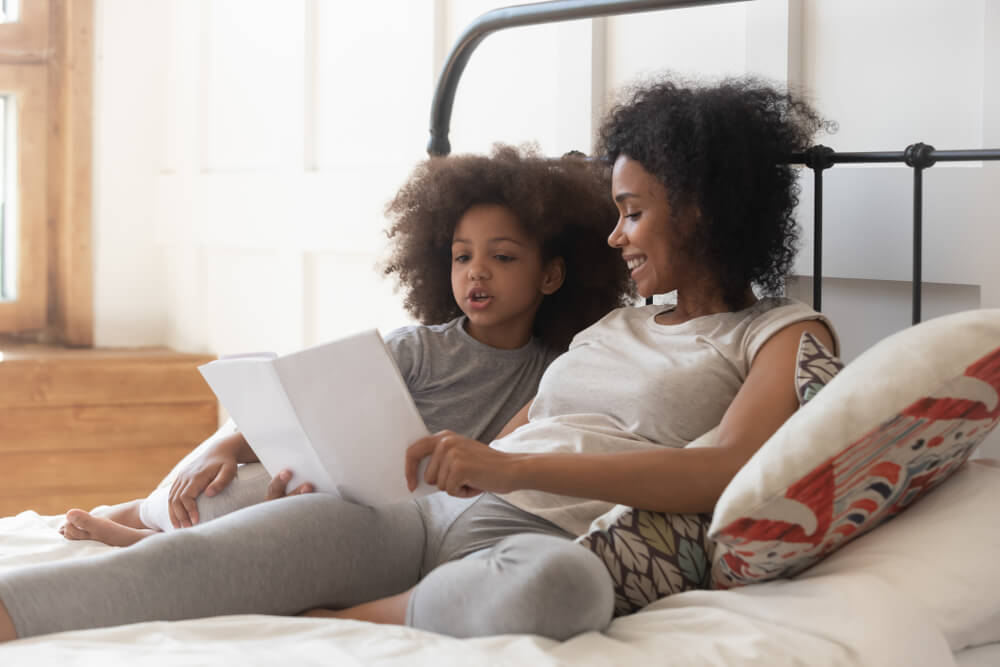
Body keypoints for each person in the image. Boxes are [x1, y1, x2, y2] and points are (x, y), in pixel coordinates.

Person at [0, 76, 837, 643]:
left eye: (633, 212)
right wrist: (453, 464)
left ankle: (350, 612)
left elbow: (718, 470)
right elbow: (526, 423)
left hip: (525, 537)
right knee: (207, 552)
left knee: (566, 590)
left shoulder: (783, 335)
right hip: (421, 516)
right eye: (614, 214)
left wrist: (505, 472)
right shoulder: (614, 325)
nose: (617, 234)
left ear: (695, 211)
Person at [58, 144, 633, 548]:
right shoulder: (417, 348)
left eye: (502, 257)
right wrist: (225, 448)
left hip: (401, 516)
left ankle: (149, 532)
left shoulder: (552, 374)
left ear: (553, 276)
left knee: (299, 525)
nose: (476, 273)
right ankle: (139, 518)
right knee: (236, 492)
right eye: (462, 257)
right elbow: (299, 412)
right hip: (326, 483)